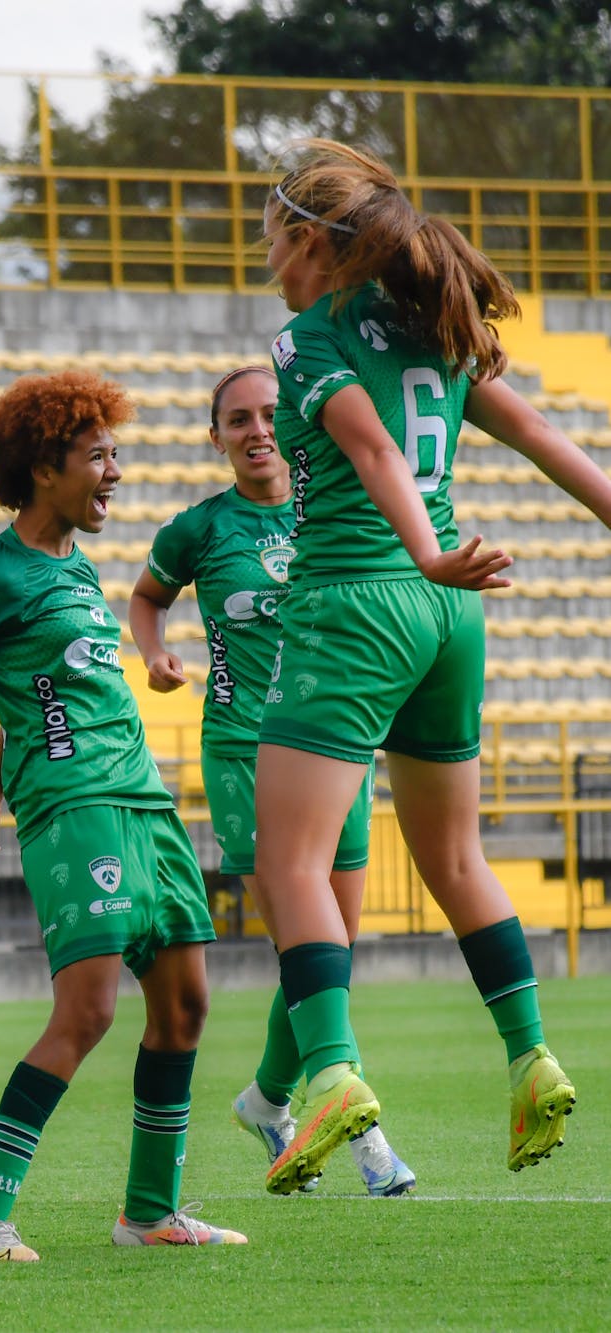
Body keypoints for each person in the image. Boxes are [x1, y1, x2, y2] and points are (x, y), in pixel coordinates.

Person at [248, 137, 611, 1195]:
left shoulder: (307, 338)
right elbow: (543, 432)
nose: (266, 248)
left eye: (274, 229)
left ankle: (331, 1075)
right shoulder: (438, 330)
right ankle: (531, 1052)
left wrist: (420, 550)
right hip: (453, 621)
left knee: (292, 867)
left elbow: (370, 449)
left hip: (360, 601)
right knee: (456, 858)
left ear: (312, 239)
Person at [0, 369, 247, 1256]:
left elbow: (42, 685)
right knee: (89, 1012)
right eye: (98, 455)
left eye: (117, 452)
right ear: (44, 466)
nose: (114, 471)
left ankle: (150, 1213)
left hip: (146, 800)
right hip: (76, 810)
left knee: (185, 1005)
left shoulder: (76, 566)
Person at [128, 364, 415, 1197]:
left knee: (332, 951)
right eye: (237, 419)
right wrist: (153, 653)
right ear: (215, 436)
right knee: (305, 943)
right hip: (247, 753)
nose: (256, 429)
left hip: (336, 744)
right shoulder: (198, 529)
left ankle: (264, 1099)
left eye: (267, 414)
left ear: (292, 423)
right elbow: (147, 599)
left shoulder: (333, 508)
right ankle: (364, 1138)